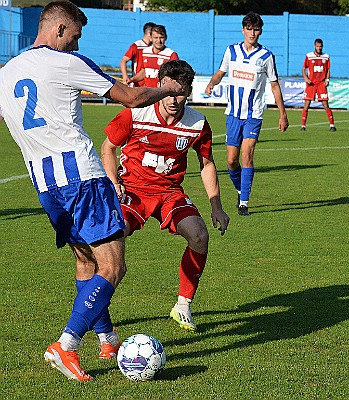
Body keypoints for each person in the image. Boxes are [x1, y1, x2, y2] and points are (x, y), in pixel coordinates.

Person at [0, 1, 184, 381]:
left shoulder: (6, 73)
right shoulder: (67, 61)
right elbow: (131, 99)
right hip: (83, 178)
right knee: (113, 266)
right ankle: (65, 345)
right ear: (60, 29)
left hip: (46, 185)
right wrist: (164, 87)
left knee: (86, 262)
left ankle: (107, 338)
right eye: (75, 36)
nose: (75, 44)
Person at [101, 60, 230, 332]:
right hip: (133, 189)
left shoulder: (197, 123)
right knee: (111, 240)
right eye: (169, 91)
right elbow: (108, 148)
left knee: (199, 235)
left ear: (189, 92)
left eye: (180, 93)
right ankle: (99, 309)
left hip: (169, 192)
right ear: (159, 86)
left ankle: (183, 306)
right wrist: (114, 182)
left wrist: (216, 207)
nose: (174, 99)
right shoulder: (136, 113)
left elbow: (206, 163)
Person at [205, 11, 288, 216]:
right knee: (231, 161)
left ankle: (244, 202)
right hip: (233, 113)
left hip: (254, 113)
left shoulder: (266, 57)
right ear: (243, 30)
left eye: (256, 29)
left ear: (261, 31)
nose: (252, 33)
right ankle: (240, 188)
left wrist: (282, 114)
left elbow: (275, 86)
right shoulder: (231, 51)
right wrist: (211, 84)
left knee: (246, 155)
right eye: (249, 29)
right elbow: (220, 72)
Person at [301, 38, 336, 132]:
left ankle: (332, 125)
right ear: (314, 46)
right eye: (317, 46)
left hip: (321, 83)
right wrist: (306, 78)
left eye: (320, 47)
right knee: (306, 104)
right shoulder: (309, 56)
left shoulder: (326, 57)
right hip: (311, 84)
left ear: (322, 46)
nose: (319, 48)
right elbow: (304, 68)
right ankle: (303, 126)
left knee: (325, 104)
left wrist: (327, 80)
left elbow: (328, 70)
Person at [120, 21, 155, 87]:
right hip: (137, 84)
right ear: (148, 33)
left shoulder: (154, 47)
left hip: (150, 83)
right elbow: (123, 61)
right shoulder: (137, 46)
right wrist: (125, 77)